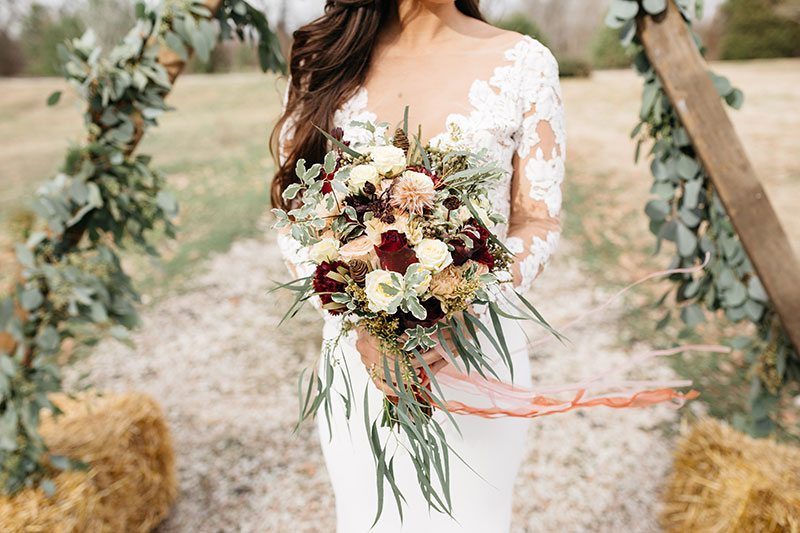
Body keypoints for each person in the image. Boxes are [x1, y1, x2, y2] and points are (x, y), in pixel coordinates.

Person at [272, 1, 564, 530]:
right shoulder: (328, 62)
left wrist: (463, 301)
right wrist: (362, 322)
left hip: (475, 352)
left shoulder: (524, 62)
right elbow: (295, 219)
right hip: (360, 361)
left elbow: (537, 221)